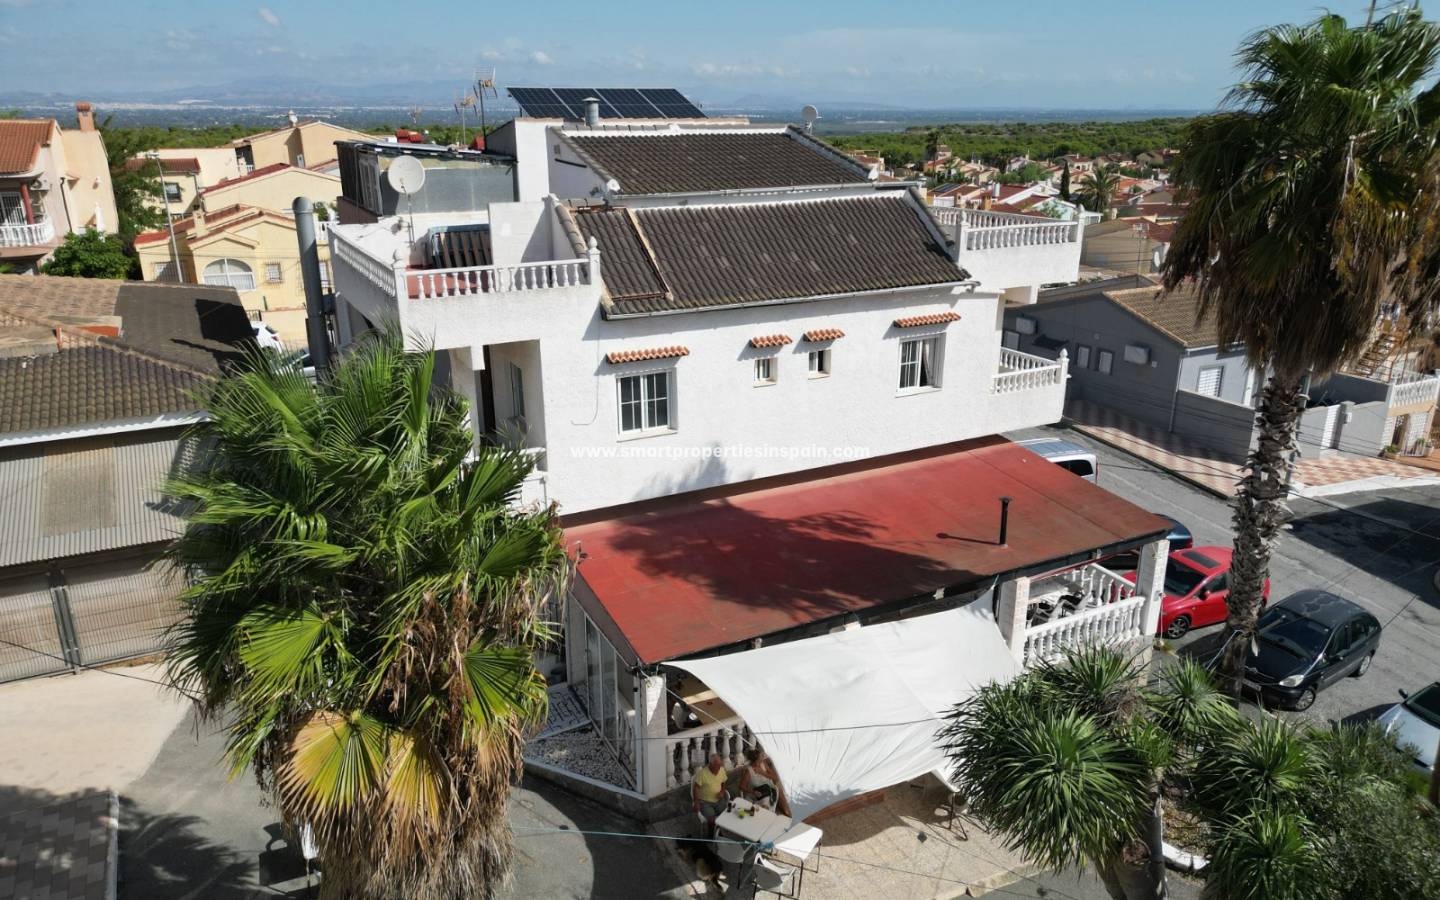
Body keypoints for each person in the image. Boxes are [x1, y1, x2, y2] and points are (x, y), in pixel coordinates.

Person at [737, 747, 791, 817]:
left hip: (769, 790)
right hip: (757, 795)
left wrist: (763, 773)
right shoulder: (749, 772)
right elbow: (741, 787)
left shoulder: (763, 764)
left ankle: (788, 815)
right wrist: (753, 792)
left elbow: (776, 778)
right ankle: (765, 814)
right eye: (761, 758)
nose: (762, 759)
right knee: (765, 806)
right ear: (755, 760)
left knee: (779, 793)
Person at [691, 753, 729, 834]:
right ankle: (711, 835)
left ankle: (721, 833)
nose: (719, 767)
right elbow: (696, 788)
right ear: (711, 764)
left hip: (719, 800)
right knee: (712, 820)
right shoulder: (702, 773)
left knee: (727, 814)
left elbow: (724, 783)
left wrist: (722, 792)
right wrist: (696, 802)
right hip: (705, 802)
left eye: (720, 764)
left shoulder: (721, 770)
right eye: (717, 765)